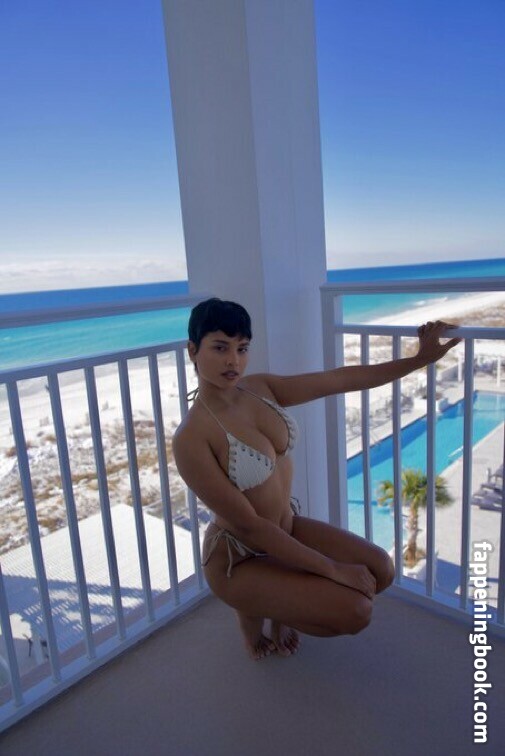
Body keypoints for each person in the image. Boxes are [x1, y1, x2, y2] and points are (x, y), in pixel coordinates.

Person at [173, 298, 461, 660]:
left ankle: (277, 606)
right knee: (355, 611)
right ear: (192, 350)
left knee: (381, 571)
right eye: (220, 348)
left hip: (286, 528)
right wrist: (333, 569)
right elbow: (250, 526)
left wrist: (419, 360)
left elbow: (340, 379)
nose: (234, 361)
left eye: (242, 348)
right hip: (239, 557)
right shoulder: (191, 437)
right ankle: (253, 614)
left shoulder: (259, 389)